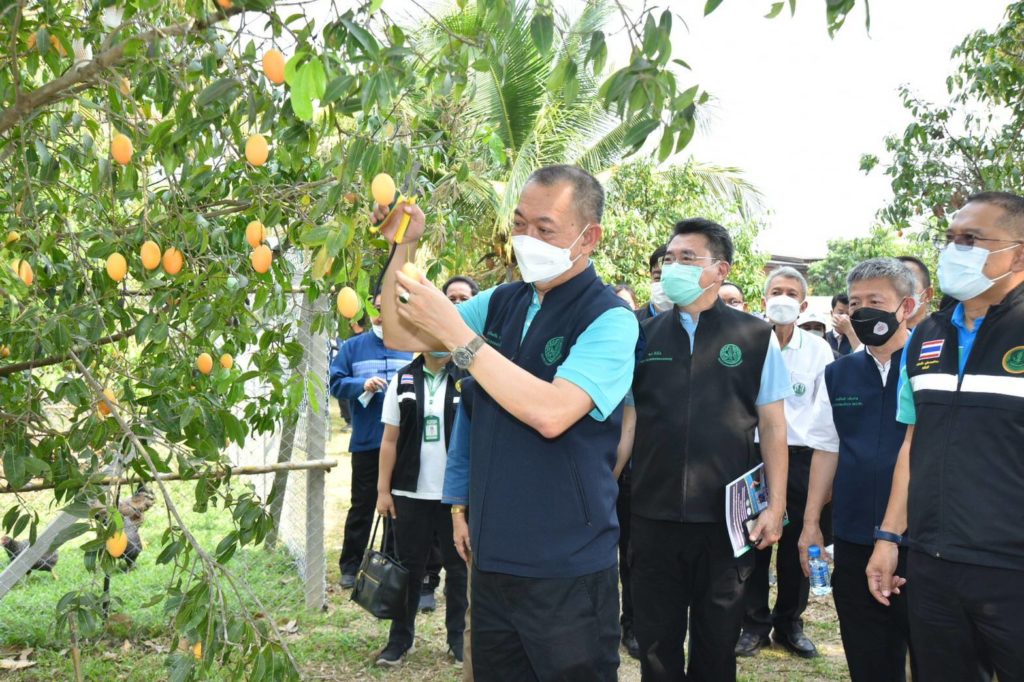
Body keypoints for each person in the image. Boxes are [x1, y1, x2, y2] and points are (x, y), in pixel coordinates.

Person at [376, 164, 638, 680]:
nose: (527, 238)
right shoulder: (502, 301)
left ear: (591, 238)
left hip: (567, 567)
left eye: (545, 229)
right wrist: (401, 250)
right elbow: (399, 333)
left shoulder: (610, 319)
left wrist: (460, 339)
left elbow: (552, 412)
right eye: (520, 224)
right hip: (494, 560)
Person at [621, 218, 791, 681]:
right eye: (669, 259)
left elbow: (773, 428)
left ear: (720, 270)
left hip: (726, 522)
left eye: (687, 258)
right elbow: (629, 422)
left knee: (717, 646)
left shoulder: (755, 337)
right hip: (652, 516)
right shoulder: (642, 335)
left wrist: (776, 506)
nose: (673, 266)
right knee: (655, 645)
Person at [867, 191, 1024, 682]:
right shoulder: (928, 336)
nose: (956, 249)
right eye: (952, 238)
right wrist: (890, 537)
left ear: (1018, 253)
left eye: (972, 239)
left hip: (1013, 569)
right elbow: (913, 444)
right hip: (933, 562)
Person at [799, 258, 918, 682]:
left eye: (875, 301)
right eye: (855, 302)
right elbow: (827, 449)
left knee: (933, 655)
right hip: (853, 535)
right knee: (868, 656)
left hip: (921, 538)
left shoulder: (930, 365)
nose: (862, 311)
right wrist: (812, 523)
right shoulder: (839, 373)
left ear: (906, 307)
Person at [737, 266, 834, 660]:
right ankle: (753, 624)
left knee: (802, 544)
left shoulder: (818, 350)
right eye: (776, 290)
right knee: (753, 545)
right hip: (751, 458)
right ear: (763, 300)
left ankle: (790, 622)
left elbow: (824, 415)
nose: (783, 298)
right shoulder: (745, 342)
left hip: (803, 460)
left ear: (804, 303)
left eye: (791, 293)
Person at [374, 349, 468, 667]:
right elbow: (389, 440)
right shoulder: (403, 379)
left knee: (458, 570)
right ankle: (400, 640)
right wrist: (383, 490)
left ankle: (459, 640)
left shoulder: (466, 377)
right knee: (408, 568)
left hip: (454, 497)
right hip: (408, 492)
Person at [329, 295, 413, 588]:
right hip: (368, 442)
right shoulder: (353, 347)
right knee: (362, 505)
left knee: (398, 506)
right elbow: (335, 383)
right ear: (370, 306)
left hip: (404, 444)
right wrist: (361, 385)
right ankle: (350, 566)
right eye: (379, 305)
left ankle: (389, 565)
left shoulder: (410, 346)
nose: (383, 311)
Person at [419, 275, 480, 612]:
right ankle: (427, 584)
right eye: (450, 298)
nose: (457, 305)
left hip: (465, 477)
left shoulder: (479, 361)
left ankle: (458, 634)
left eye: (463, 298)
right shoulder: (424, 364)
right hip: (426, 477)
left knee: (461, 561)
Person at [895, 255, 934, 330]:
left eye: (908, 284)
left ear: (928, 295)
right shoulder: (877, 335)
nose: (899, 292)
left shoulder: (941, 334)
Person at [637, 245, 670, 321]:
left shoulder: (695, 322)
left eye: (670, 278)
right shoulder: (633, 322)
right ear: (651, 277)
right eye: (658, 277)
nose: (664, 283)